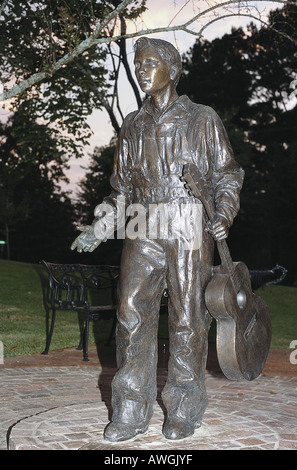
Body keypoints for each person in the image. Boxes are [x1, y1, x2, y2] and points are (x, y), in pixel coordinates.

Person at [71, 37, 244, 442]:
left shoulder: (203, 119)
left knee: (188, 318)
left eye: (150, 63)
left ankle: (184, 407)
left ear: (173, 68)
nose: (142, 71)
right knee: (131, 313)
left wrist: (222, 213)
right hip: (141, 221)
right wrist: (101, 225)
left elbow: (228, 174)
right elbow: (121, 189)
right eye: (137, 64)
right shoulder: (132, 125)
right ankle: (131, 409)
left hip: (187, 220)